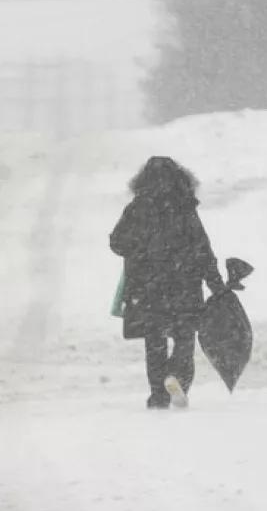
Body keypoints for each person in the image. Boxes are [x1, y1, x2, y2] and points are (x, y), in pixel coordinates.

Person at [110, 156, 226, 409]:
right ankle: (177, 378)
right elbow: (202, 248)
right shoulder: (185, 207)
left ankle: (158, 395)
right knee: (184, 339)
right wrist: (216, 283)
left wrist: (140, 249)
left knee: (155, 342)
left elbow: (117, 242)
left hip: (148, 288)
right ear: (179, 178)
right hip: (185, 285)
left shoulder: (137, 208)